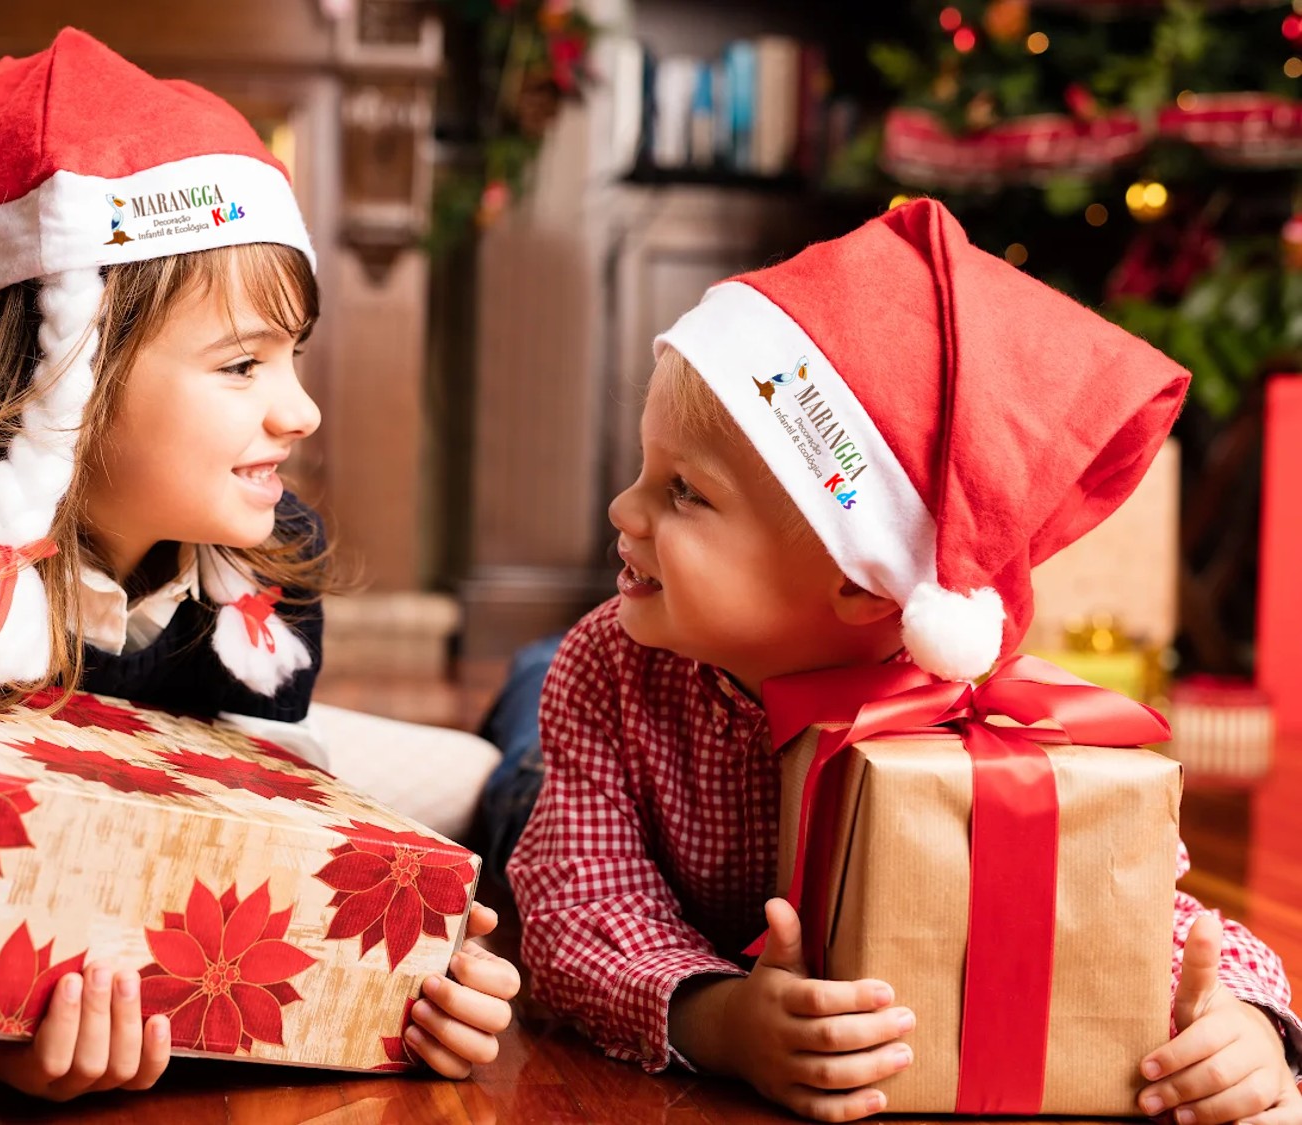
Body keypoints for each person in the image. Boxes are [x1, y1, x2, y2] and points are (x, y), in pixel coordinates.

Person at [0, 28, 518, 1100]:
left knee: (487, 780)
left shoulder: (266, 570)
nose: (299, 411)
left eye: (292, 357)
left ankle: (544, 696)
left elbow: (222, 808)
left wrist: (422, 969)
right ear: (66, 377)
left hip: (196, 727)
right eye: (242, 363)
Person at [504, 199, 1301, 1123]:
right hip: (557, 754)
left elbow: (1144, 916)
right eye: (644, 469)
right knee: (510, 773)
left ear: (864, 587)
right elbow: (571, 909)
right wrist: (723, 1022)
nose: (622, 510)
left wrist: (1240, 1021)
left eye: (684, 493)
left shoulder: (988, 735)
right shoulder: (607, 666)